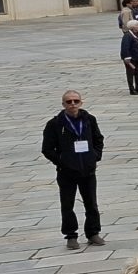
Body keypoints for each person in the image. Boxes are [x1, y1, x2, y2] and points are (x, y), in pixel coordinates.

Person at [40, 90, 104, 251]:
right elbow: (47, 149)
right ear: (63, 105)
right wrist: (62, 162)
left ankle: (93, 232)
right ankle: (71, 235)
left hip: (87, 170)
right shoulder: (55, 124)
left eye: (76, 101)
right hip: (66, 172)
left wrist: (94, 156)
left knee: (91, 204)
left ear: (81, 102)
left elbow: (98, 139)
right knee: (67, 205)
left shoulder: (89, 119)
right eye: (69, 102)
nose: (73, 104)